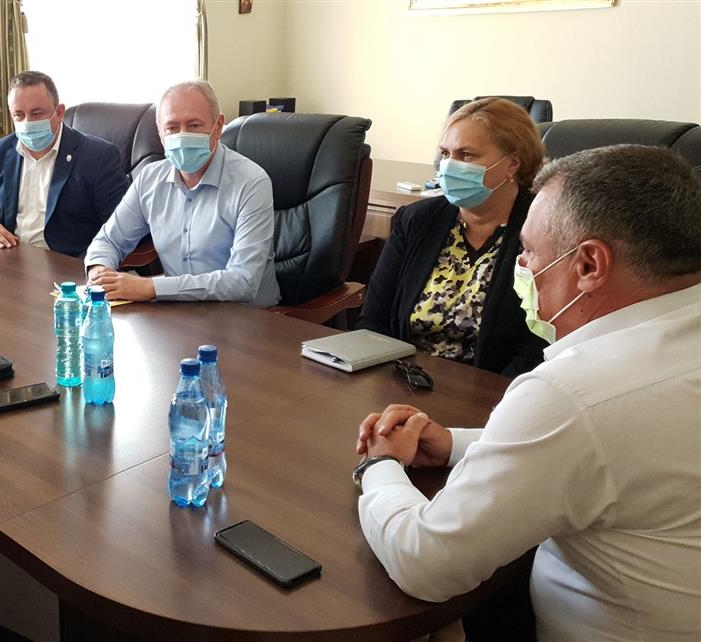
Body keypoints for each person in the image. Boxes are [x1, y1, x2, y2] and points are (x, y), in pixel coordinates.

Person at [353, 145, 701, 641]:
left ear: (589, 265)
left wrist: (380, 465)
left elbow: (426, 564)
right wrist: (453, 443)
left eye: (530, 250)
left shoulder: (574, 393)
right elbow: (613, 450)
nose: (520, 264)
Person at [358, 98, 547, 377]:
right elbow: (375, 319)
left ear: (512, 164)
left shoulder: (542, 230)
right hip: (403, 378)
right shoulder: (417, 220)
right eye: (445, 154)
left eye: (466, 155)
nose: (449, 166)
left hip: (493, 391)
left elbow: (537, 346)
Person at [83, 80, 279, 307]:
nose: (182, 135)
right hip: (177, 311)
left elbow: (243, 281)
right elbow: (109, 240)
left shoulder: (252, 182)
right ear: (160, 132)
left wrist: (150, 287)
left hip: (248, 317)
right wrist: (99, 272)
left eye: (194, 125)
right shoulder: (150, 179)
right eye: (172, 128)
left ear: (218, 126)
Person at [0, 71, 128, 257]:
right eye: (19, 115)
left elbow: (121, 229)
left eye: (36, 114)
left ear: (59, 112)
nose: (27, 123)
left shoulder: (98, 157)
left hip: (67, 263)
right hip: (10, 258)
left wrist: (94, 264)